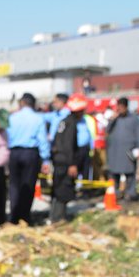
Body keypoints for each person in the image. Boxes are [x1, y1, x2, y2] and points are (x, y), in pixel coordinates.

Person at [7, 93, 50, 225]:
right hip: (30, 153)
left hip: (14, 152)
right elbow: (42, 140)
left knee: (14, 185)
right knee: (28, 185)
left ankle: (14, 215)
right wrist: (46, 159)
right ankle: (24, 216)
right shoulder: (38, 118)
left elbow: (7, 136)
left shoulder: (12, 118)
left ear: (22, 103)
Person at [50, 94, 89, 223]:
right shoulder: (71, 123)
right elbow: (68, 145)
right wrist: (72, 164)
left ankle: (55, 216)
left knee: (58, 188)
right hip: (65, 161)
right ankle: (58, 217)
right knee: (63, 189)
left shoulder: (64, 121)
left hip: (59, 159)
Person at [105, 97, 139, 201]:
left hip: (128, 151)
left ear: (126, 107)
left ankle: (130, 193)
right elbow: (107, 130)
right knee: (114, 173)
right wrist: (112, 119)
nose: (120, 109)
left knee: (130, 173)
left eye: (122, 107)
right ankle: (116, 193)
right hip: (114, 151)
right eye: (118, 107)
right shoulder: (114, 118)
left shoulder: (134, 119)